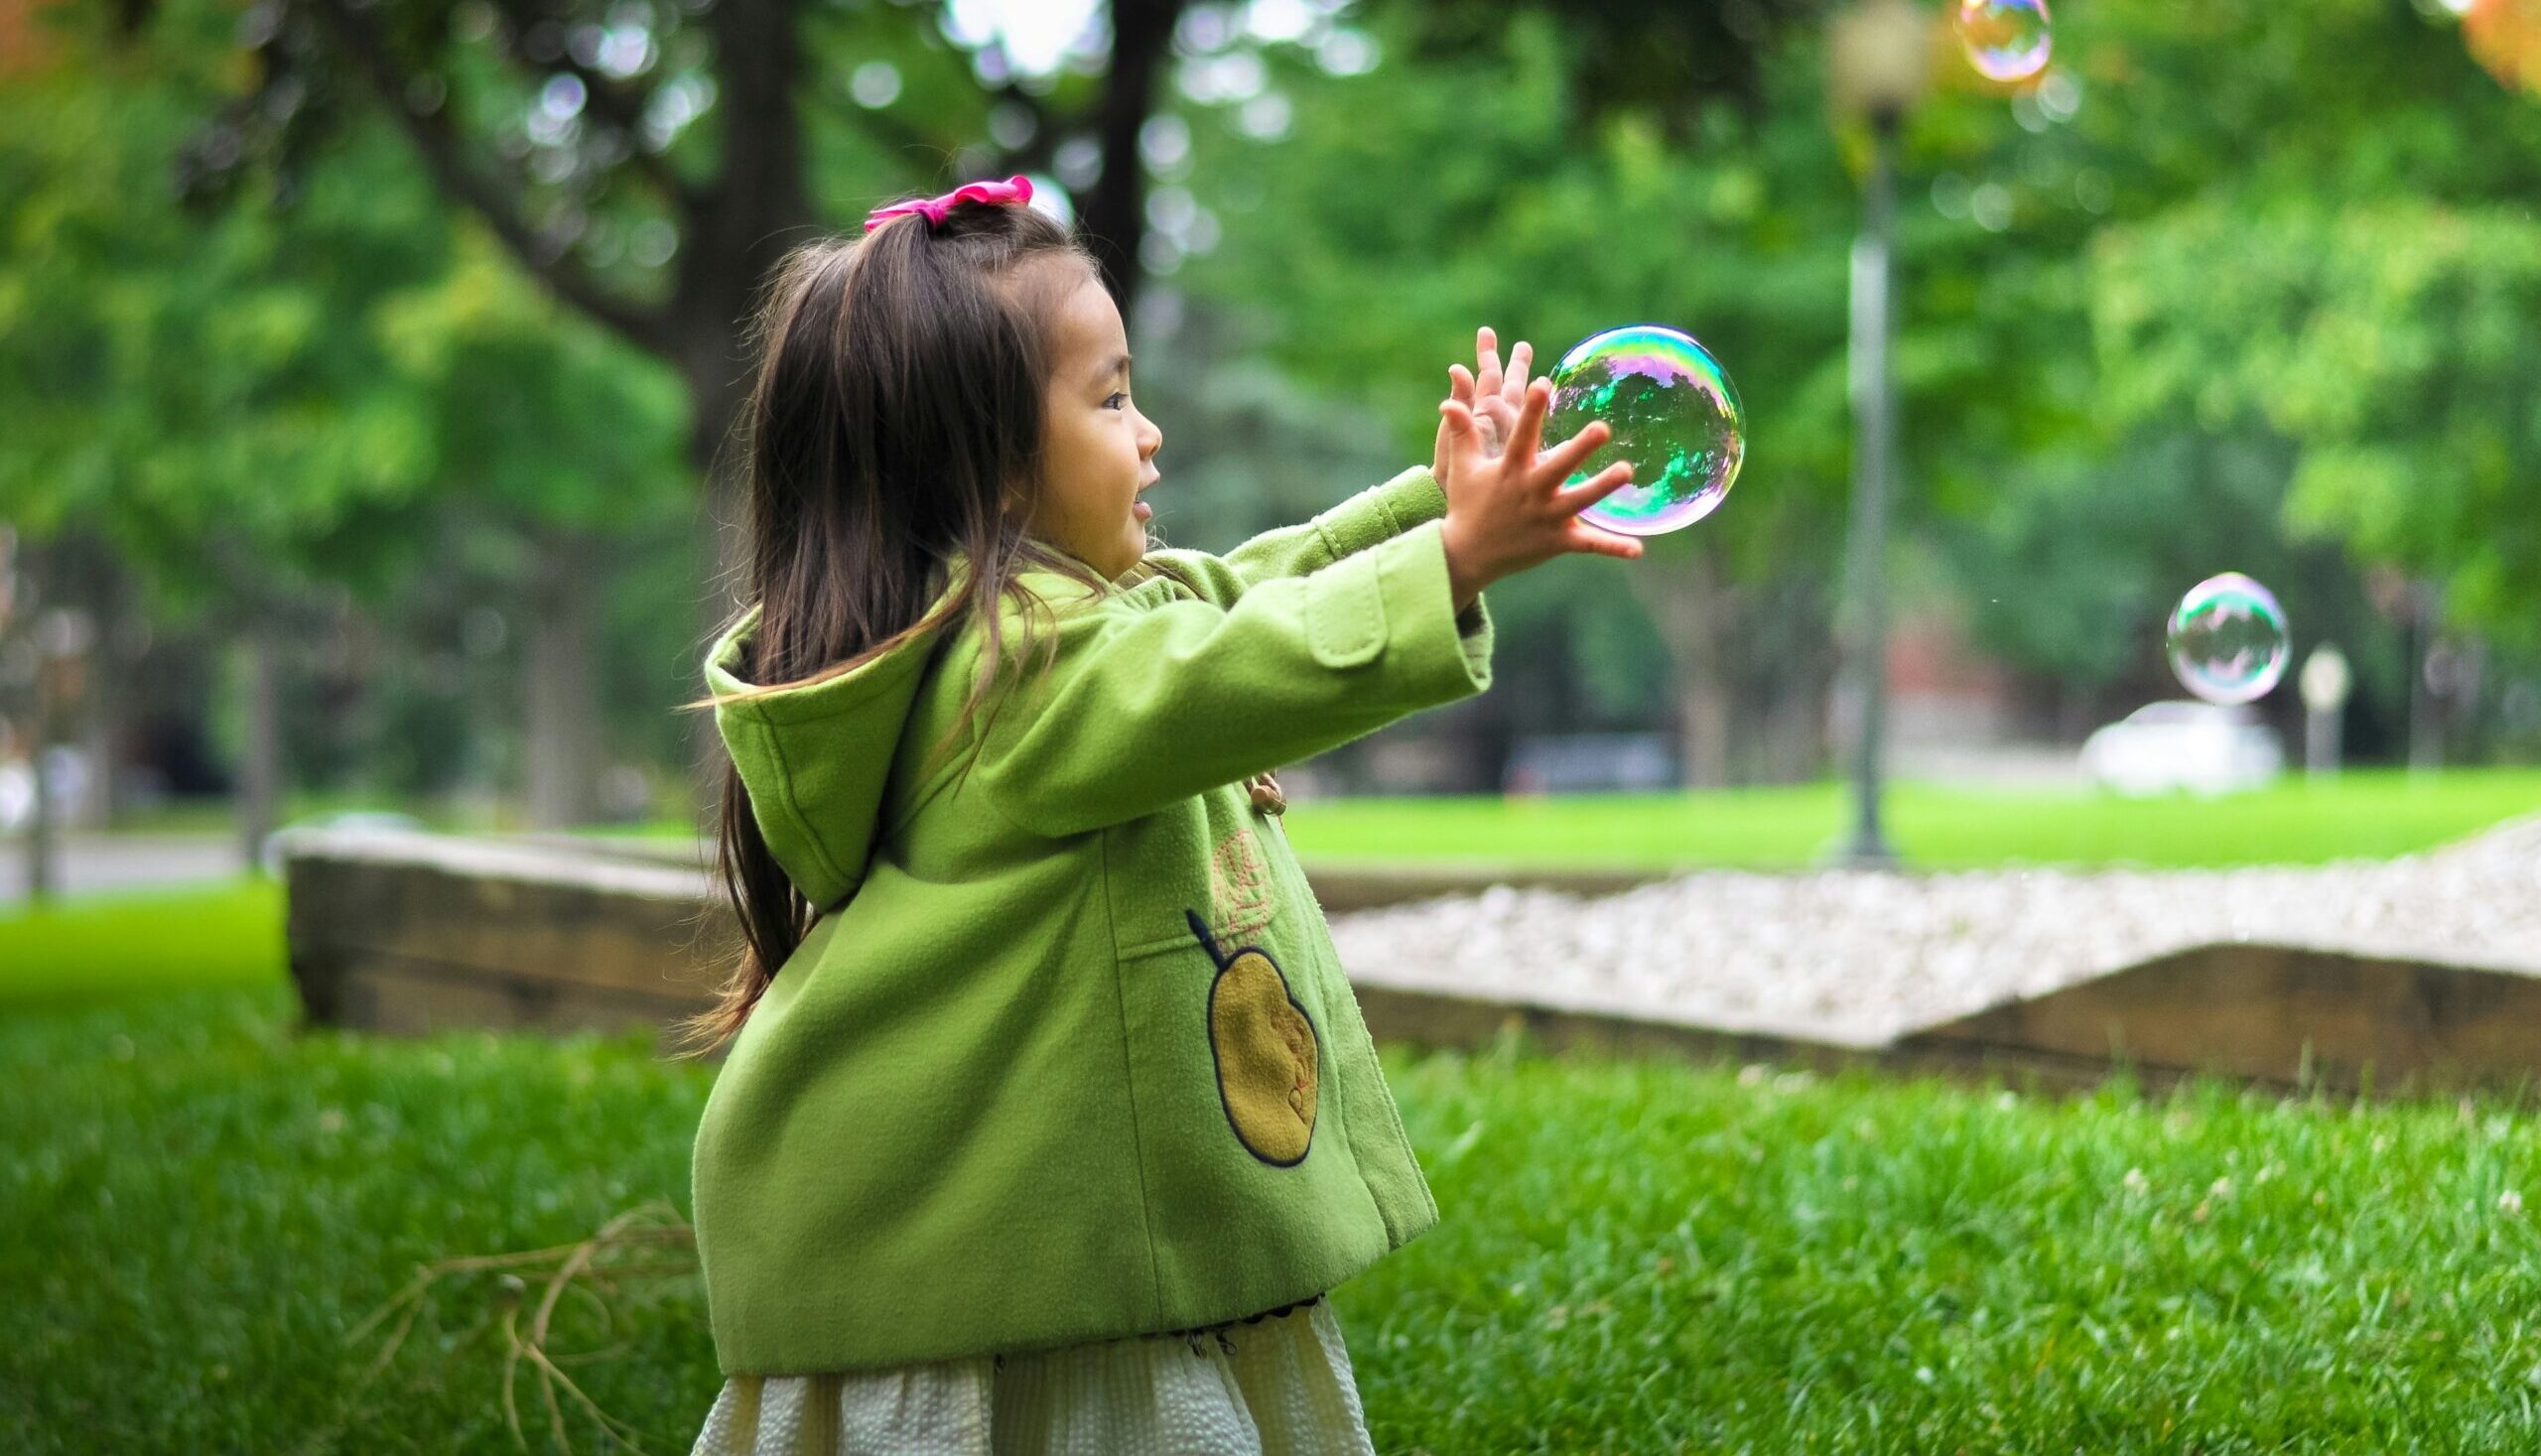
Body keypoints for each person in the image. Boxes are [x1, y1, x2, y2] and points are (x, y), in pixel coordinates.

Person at [672, 175, 1640, 1455]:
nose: (1151, 435)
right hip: (1026, 1298)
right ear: (992, 469)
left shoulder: (1046, 635)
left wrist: (1432, 505)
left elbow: (1243, 589)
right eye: (1113, 396)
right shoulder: (1014, 680)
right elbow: (1238, 663)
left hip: (1063, 1254)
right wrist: (1452, 561)